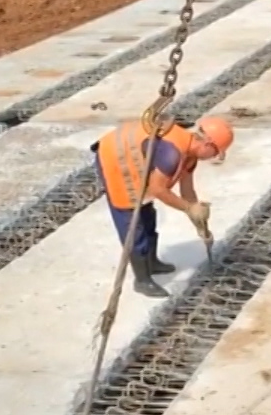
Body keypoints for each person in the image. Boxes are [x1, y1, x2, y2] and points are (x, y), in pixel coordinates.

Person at [92, 115, 236, 297]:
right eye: (216, 152)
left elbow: (187, 191)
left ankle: (151, 262)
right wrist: (188, 208)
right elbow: (158, 190)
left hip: (133, 157)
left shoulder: (190, 154)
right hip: (115, 157)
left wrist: (200, 225)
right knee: (132, 222)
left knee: (147, 213)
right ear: (207, 144)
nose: (213, 157)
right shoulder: (172, 153)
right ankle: (142, 280)